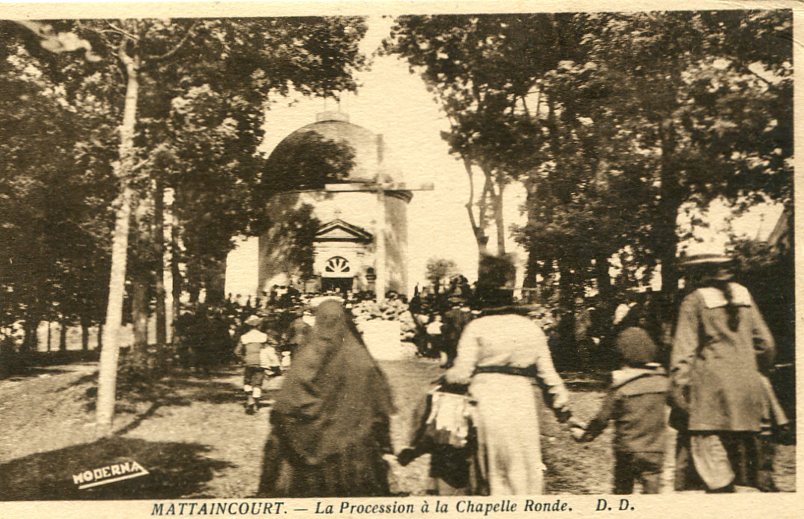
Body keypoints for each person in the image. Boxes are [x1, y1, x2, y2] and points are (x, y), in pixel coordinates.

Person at [443, 254, 573, 495]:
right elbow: (549, 377)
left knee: (493, 467)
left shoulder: (477, 327)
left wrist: (446, 377)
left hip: (486, 400)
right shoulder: (530, 328)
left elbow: (461, 374)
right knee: (522, 464)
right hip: (521, 401)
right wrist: (563, 410)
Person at [258, 300, 395, 497]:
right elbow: (380, 411)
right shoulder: (362, 359)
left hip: (311, 454)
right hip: (357, 455)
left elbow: (287, 405)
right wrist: (385, 447)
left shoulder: (310, 353)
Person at [670, 253, 776, 492]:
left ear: (698, 273)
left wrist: (678, 390)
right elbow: (767, 345)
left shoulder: (694, 300)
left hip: (710, 398)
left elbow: (683, 354)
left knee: (711, 470)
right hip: (748, 393)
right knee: (745, 466)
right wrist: (749, 367)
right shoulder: (745, 297)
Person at [572, 304, 669, 494]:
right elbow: (681, 406)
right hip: (655, 450)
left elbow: (602, 419)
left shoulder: (621, 387)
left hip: (627, 450)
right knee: (653, 493)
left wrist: (586, 435)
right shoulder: (663, 383)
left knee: (622, 491)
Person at [234, 315, 275, 415]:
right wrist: (266, 350)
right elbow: (274, 343)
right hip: (260, 361)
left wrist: (244, 359)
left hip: (249, 362)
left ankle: (249, 399)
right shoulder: (263, 336)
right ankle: (256, 404)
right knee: (257, 383)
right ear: (259, 325)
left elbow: (236, 351)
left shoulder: (244, 337)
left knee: (247, 381)